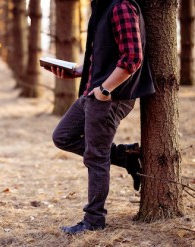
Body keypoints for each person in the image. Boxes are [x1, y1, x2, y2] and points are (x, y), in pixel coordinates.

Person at [47, 0, 155, 234]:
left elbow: (132, 58)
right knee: (63, 136)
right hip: (93, 92)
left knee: (96, 157)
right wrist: (78, 71)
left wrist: (105, 90)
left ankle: (94, 221)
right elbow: (106, 56)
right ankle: (125, 157)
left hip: (109, 97)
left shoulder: (120, 6)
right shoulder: (102, 6)